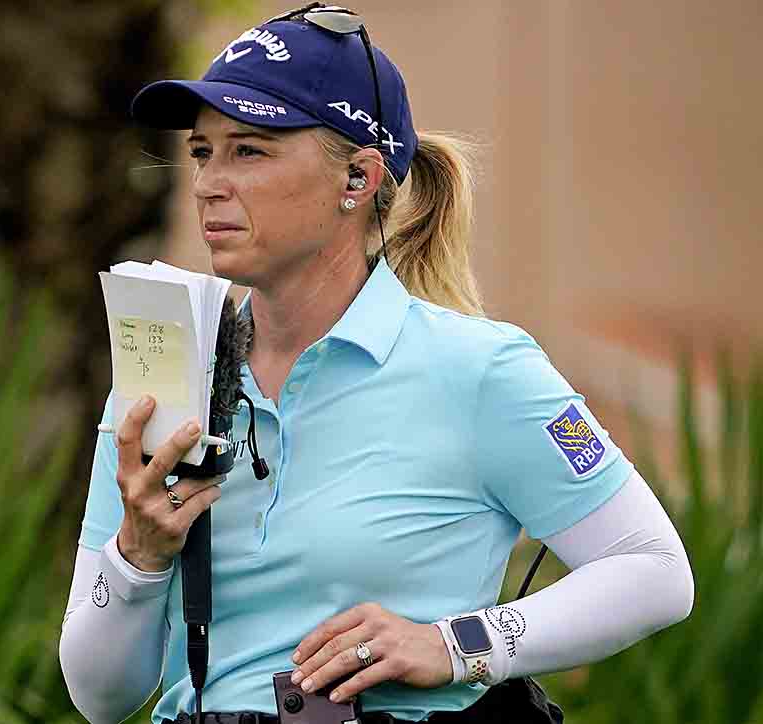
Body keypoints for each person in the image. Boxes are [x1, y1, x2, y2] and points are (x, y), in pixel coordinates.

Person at [59, 4, 694, 723]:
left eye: (250, 150)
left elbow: (654, 569)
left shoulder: (482, 371)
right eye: (203, 151)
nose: (208, 182)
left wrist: (458, 645)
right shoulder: (163, 382)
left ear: (357, 180)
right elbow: (100, 697)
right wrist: (138, 556)